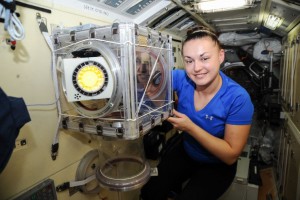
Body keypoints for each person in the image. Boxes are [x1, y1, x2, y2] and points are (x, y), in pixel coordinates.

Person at [140, 26, 254, 200]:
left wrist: (190, 127)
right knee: (150, 191)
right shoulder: (182, 78)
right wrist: (149, 85)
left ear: (220, 56)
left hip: (217, 165)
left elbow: (230, 155)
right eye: (189, 61)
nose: (196, 68)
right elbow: (155, 81)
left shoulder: (238, 98)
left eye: (204, 58)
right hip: (187, 150)